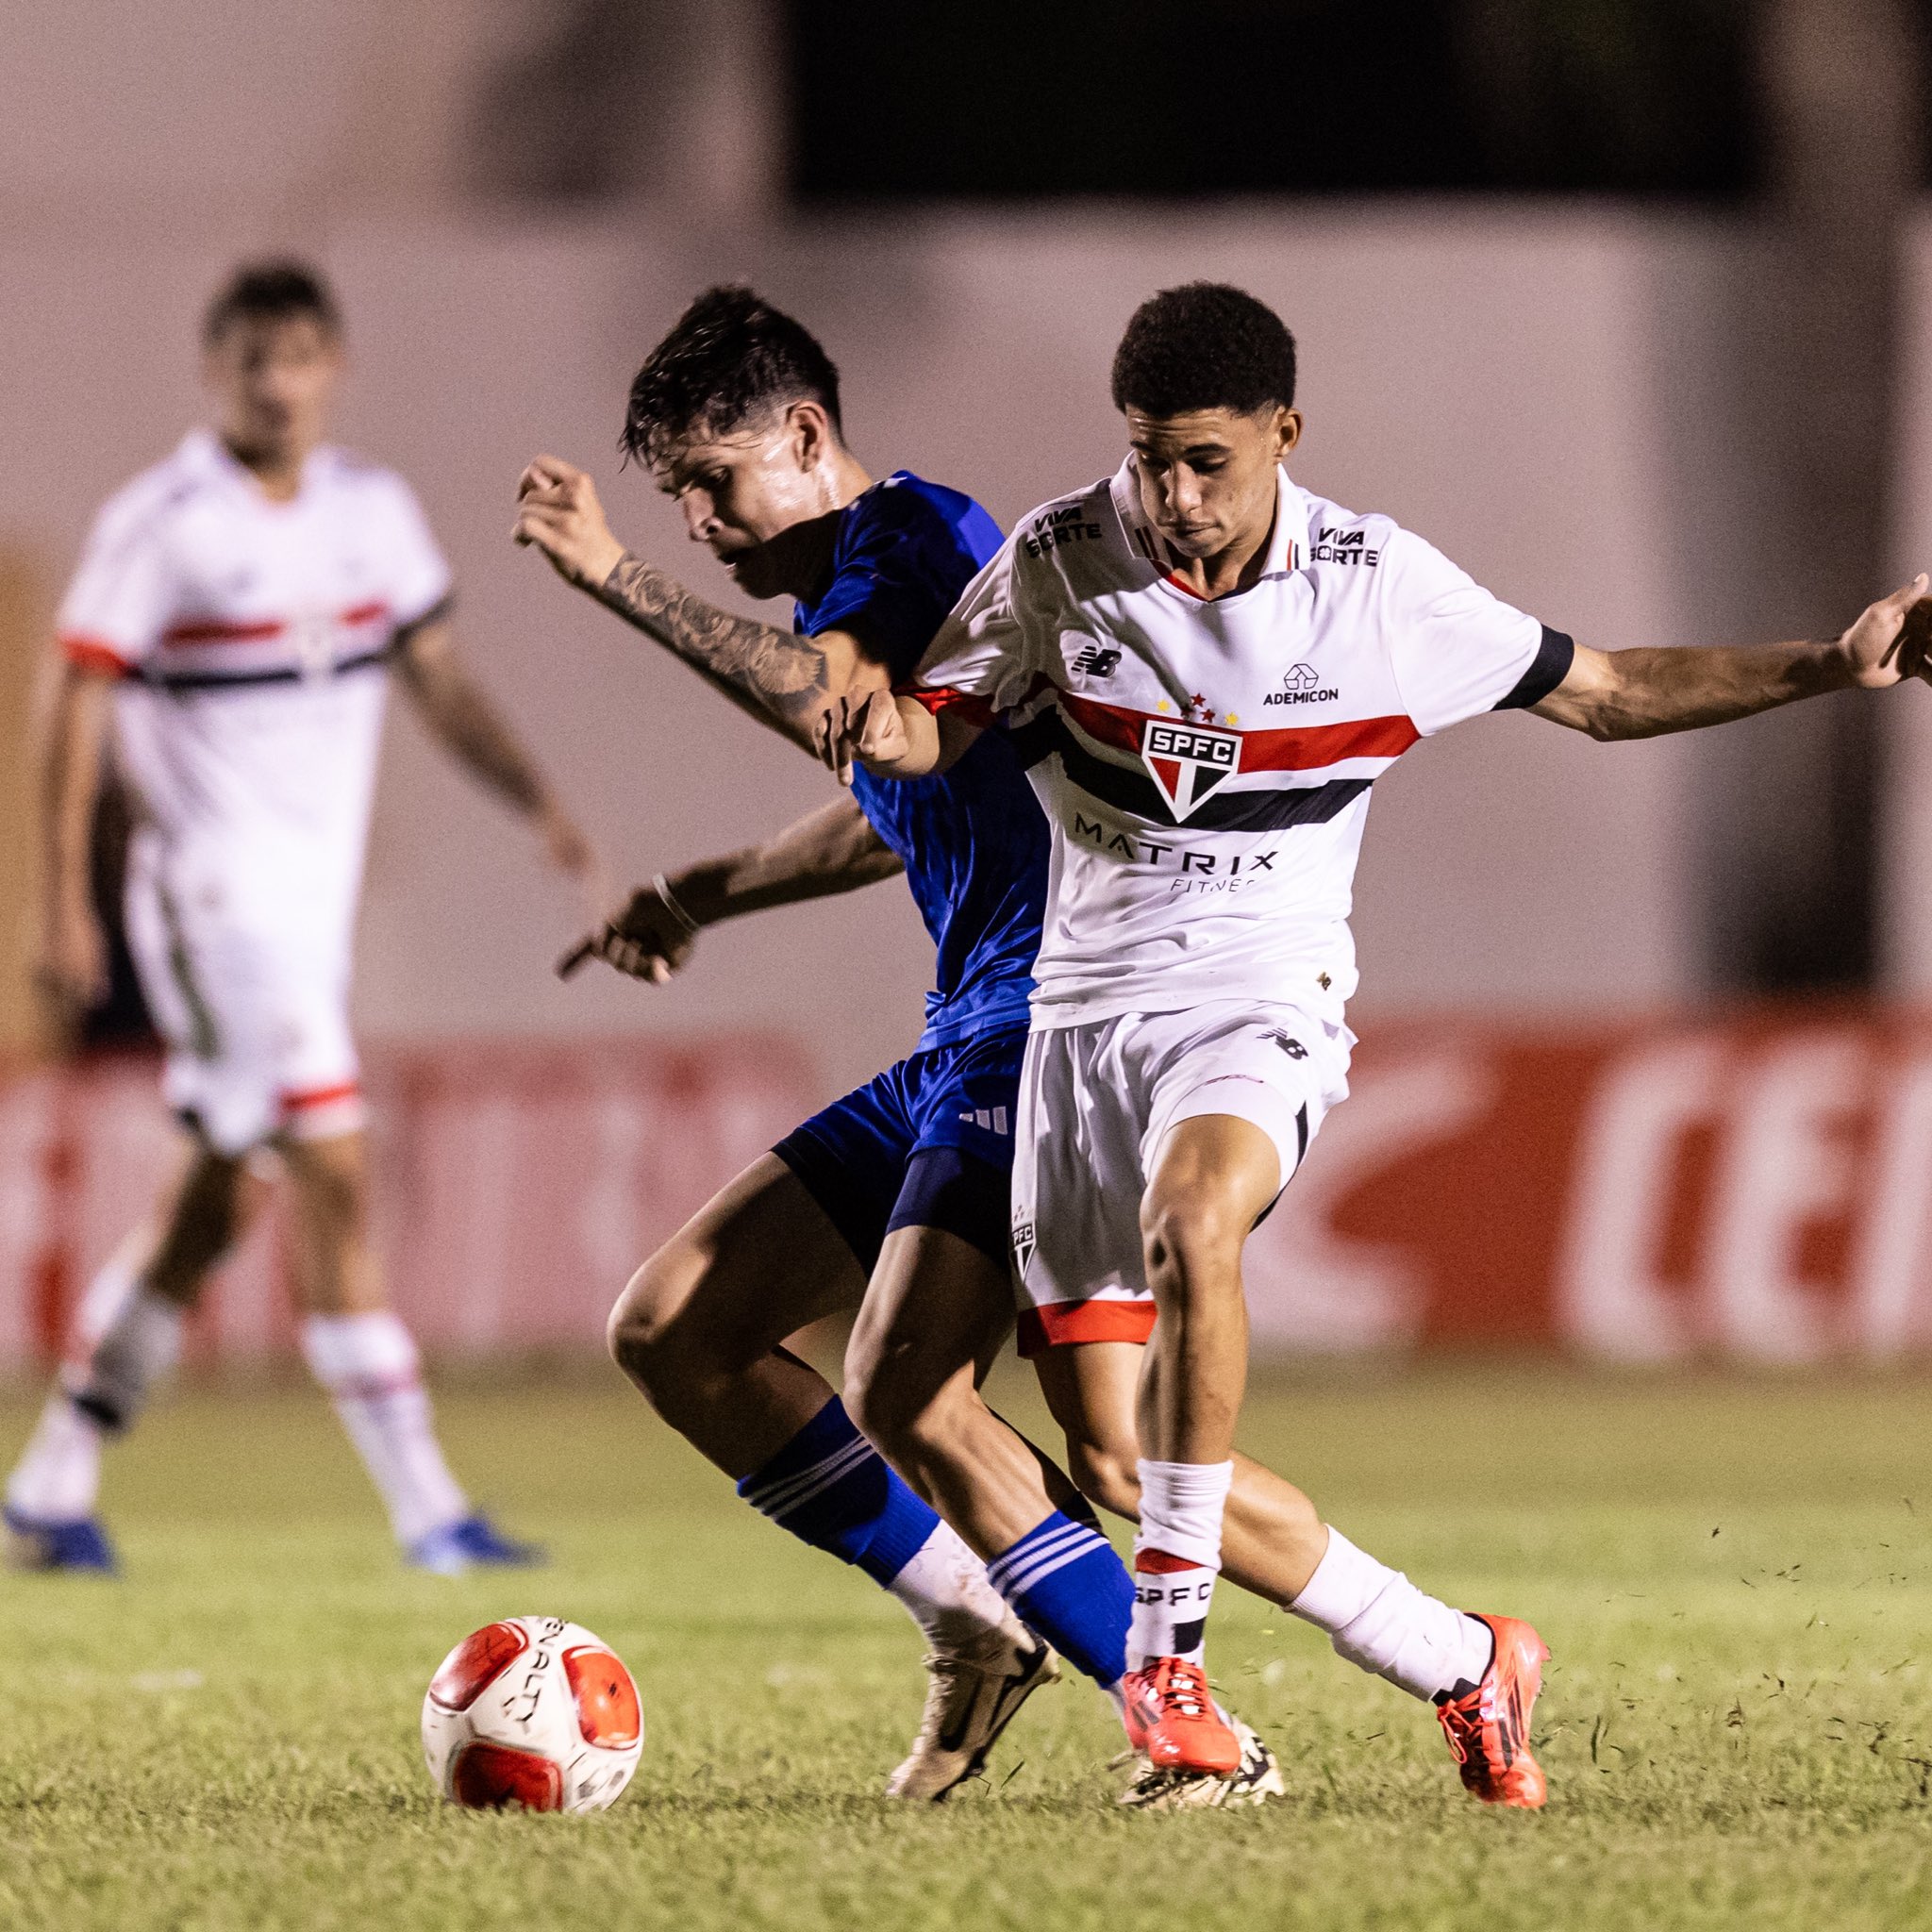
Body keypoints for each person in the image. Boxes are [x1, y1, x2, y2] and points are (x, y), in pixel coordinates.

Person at [820, 279, 1932, 1806]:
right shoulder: (1063, 558)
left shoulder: (1378, 589)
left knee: (1193, 1221)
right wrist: (879, 724)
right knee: (1112, 1463)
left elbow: (1601, 693)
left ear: (1287, 434)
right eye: (1149, 458)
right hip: (1079, 1025)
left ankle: (1170, 1669)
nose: (1175, 499)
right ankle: (1466, 1661)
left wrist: (1835, 662)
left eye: (1208, 461)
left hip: (1258, 1001)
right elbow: (936, 723)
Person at [516, 286, 1291, 1809]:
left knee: (918, 1391)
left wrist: (609, 575)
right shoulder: (851, 585)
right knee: (678, 1327)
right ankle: (970, 1618)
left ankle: (1198, 1740)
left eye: (712, 480)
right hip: (971, 1031)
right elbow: (890, 799)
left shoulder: (916, 542)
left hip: (1057, 1017)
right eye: (673, 500)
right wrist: (710, 891)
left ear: (806, 436)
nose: (694, 520)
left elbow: (835, 704)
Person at [6, 260, 595, 1577]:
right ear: (215, 370)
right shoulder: (160, 524)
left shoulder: (371, 515)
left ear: (333, 365)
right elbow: (71, 706)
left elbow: (435, 679)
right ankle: (431, 1512)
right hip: (214, 903)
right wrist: (59, 905)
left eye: (298, 356)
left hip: (302, 917)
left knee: (208, 1211)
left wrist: (535, 799)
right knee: (334, 1163)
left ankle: (50, 1484)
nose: (276, 382)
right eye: (251, 359)